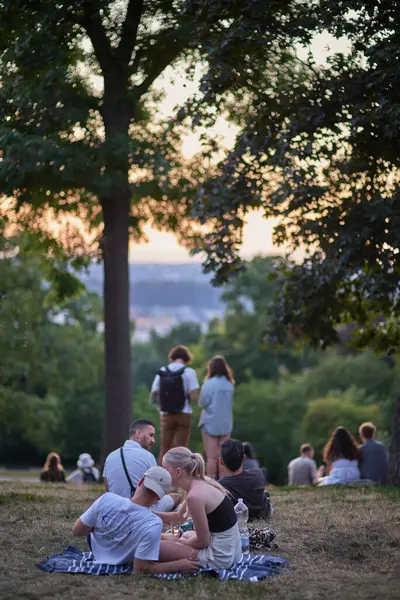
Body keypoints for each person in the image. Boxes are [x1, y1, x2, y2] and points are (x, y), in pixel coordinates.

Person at [72, 466, 199, 574]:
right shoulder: (152, 523)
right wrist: (179, 565)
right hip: (125, 557)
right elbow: (141, 568)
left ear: (141, 481)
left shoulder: (106, 499)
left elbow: (77, 531)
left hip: (95, 552)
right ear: (159, 498)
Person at [161, 446, 242, 570]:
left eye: (165, 470)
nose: (163, 474)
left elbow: (202, 542)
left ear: (178, 472)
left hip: (220, 558)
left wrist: (181, 543)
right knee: (186, 534)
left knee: (158, 547)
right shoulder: (200, 482)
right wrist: (149, 513)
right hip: (233, 552)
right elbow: (179, 518)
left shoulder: (194, 497)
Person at [103, 418, 180, 512]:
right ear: (138, 433)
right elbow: (156, 493)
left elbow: (107, 489)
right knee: (177, 497)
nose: (153, 440)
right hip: (141, 510)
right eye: (151, 435)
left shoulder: (110, 456)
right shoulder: (148, 456)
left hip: (115, 509)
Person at [150, 345, 199, 462]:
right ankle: (180, 477)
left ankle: (162, 477)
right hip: (184, 413)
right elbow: (193, 396)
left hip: (166, 414)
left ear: (172, 357)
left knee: (164, 449)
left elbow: (154, 393)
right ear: (187, 358)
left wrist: (160, 407)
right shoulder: (189, 372)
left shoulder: (162, 371)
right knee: (181, 450)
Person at [198, 355, 235, 477]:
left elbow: (202, 403)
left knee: (211, 457)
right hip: (226, 423)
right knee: (223, 456)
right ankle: (224, 483)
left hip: (210, 422)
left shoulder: (208, 384)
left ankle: (212, 483)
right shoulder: (230, 384)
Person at [218, 438, 271, 520]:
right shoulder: (258, 474)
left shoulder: (219, 486)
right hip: (261, 514)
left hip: (237, 518)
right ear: (244, 458)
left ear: (221, 461)